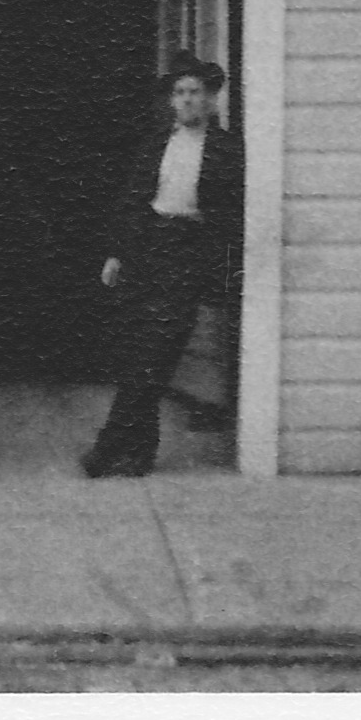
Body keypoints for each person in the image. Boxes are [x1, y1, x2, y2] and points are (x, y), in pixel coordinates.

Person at [82, 56, 245, 480]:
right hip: (147, 246)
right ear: (171, 101)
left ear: (211, 99)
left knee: (157, 352)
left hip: (189, 250)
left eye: (195, 92)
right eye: (180, 93)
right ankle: (139, 452)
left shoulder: (227, 149)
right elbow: (133, 199)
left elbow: (230, 213)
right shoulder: (157, 143)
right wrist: (116, 253)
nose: (187, 100)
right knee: (139, 352)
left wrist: (217, 262)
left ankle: (109, 445)